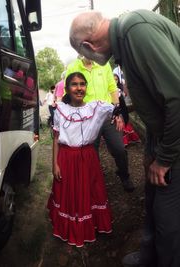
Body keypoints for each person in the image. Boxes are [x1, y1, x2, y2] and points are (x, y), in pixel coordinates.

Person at [69, 9, 180, 267]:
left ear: (88, 45)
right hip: (161, 133)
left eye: (87, 56)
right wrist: (152, 147)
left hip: (175, 137)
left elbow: (177, 99)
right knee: (152, 198)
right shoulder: (126, 41)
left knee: (168, 216)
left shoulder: (136, 31)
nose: (93, 62)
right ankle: (149, 254)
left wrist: (163, 159)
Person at [47, 72, 115, 247]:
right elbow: (55, 139)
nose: (79, 88)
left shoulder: (96, 108)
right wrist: (54, 164)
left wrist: (121, 113)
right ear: (67, 88)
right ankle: (71, 226)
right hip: (67, 157)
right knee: (69, 192)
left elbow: (118, 107)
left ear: (86, 87)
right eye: (74, 85)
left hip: (87, 157)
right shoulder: (60, 110)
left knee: (89, 189)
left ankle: (90, 224)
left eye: (82, 84)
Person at [65, 56, 135, 193]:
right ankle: (95, 180)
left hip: (108, 115)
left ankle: (124, 174)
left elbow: (112, 88)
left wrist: (117, 111)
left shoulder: (104, 65)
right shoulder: (73, 67)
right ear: (79, 50)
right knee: (91, 152)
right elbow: (68, 91)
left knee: (119, 148)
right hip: (86, 118)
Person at [114, 73, 140, 147]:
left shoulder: (120, 88)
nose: (115, 81)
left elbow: (123, 99)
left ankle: (128, 140)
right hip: (113, 109)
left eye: (116, 79)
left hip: (121, 108)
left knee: (124, 124)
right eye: (113, 79)